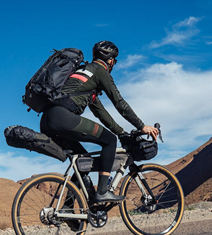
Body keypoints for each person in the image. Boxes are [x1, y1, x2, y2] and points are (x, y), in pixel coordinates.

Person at [41, 41, 159, 203]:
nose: (113, 64)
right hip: (63, 118)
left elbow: (101, 112)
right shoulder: (99, 70)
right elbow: (119, 103)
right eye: (114, 61)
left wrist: (121, 132)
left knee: (82, 162)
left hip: (47, 120)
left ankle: (68, 209)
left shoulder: (85, 75)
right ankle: (102, 191)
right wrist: (141, 126)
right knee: (109, 140)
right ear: (110, 60)